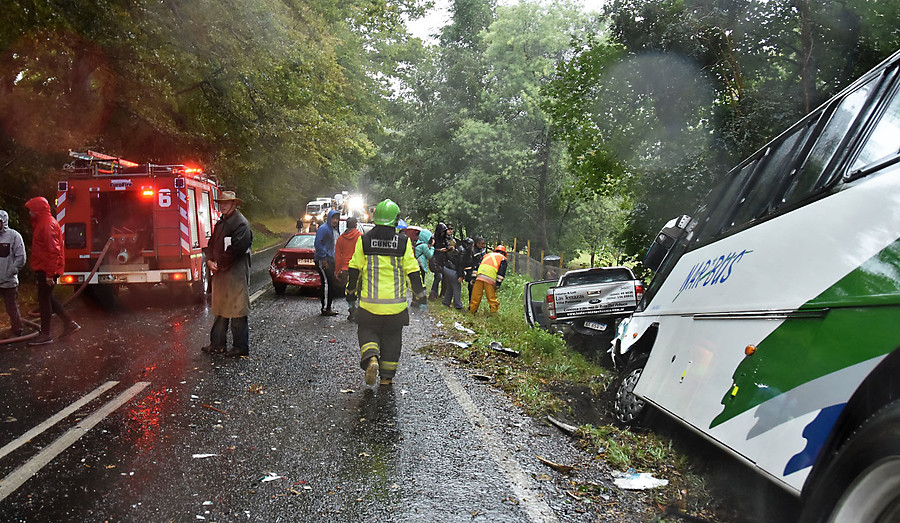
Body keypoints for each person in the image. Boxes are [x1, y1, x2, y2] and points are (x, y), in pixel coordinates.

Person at [346, 199, 427, 387]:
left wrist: (350, 295)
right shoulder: (403, 242)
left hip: (369, 305)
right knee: (392, 340)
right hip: (396, 308)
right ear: (396, 220)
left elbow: (354, 269)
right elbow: (413, 271)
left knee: (367, 331)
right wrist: (420, 297)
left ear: (375, 218)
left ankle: (372, 357)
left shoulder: (364, 240)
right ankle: (386, 379)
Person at [202, 191, 253, 357]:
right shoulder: (221, 222)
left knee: (237, 309)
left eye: (226, 203)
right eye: (221, 203)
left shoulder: (241, 224)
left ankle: (240, 347)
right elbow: (210, 245)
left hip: (235, 274)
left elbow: (237, 249)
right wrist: (209, 260)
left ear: (234, 205)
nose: (222, 205)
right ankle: (217, 344)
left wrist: (219, 263)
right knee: (220, 308)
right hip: (221, 271)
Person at [24, 197, 80, 345]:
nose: (29, 213)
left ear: (37, 209)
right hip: (45, 267)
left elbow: (52, 251)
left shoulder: (46, 225)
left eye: (31, 209)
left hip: (47, 269)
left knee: (44, 300)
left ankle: (46, 334)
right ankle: (69, 323)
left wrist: (49, 274)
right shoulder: (44, 223)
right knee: (48, 298)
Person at [0, 210, 26, 338]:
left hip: (9, 281)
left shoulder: (14, 236)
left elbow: (20, 258)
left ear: (3, 222)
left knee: (11, 307)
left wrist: (9, 273)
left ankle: (17, 329)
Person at [334, 216, 362, 321]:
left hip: (345, 268)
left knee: (349, 290)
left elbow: (338, 256)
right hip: (359, 268)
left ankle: (351, 310)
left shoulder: (341, 238)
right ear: (355, 225)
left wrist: (337, 271)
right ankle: (360, 311)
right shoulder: (360, 237)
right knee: (360, 290)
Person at [314, 209, 341, 316]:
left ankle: (328, 306)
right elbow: (318, 244)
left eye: (337, 219)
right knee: (326, 282)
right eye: (334, 218)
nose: (335, 221)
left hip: (331, 259)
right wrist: (323, 259)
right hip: (323, 260)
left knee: (331, 283)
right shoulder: (324, 229)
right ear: (329, 218)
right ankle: (325, 308)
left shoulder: (335, 230)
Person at [469, 244, 508, 316]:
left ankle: (472, 311)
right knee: (491, 298)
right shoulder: (503, 258)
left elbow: (477, 265)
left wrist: (473, 278)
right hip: (490, 278)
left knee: (475, 296)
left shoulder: (486, 255)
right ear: (504, 253)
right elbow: (501, 273)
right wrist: (498, 284)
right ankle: (493, 313)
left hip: (479, 276)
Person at [441, 237, 471, 310]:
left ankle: (446, 302)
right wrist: (461, 276)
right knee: (457, 287)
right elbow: (460, 265)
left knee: (450, 287)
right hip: (452, 270)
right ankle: (458, 305)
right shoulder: (463, 251)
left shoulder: (460, 248)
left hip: (447, 268)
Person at [428, 222, 449, 300]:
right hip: (435, 260)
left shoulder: (444, 238)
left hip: (443, 260)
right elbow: (430, 248)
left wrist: (447, 249)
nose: (443, 233)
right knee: (438, 277)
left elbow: (447, 245)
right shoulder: (433, 238)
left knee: (444, 277)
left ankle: (442, 294)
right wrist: (439, 250)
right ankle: (433, 294)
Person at [466, 236, 487, 302]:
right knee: (471, 289)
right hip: (472, 272)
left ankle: (475, 305)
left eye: (483, 244)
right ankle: (471, 304)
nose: (481, 245)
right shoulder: (472, 250)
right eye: (479, 243)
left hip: (481, 272)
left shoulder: (483, 251)